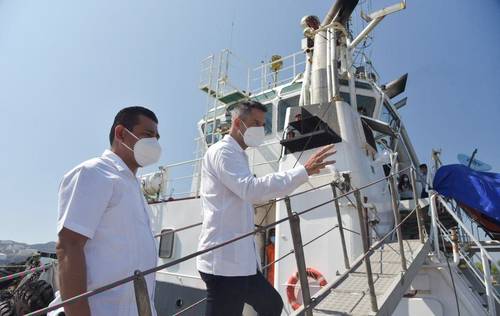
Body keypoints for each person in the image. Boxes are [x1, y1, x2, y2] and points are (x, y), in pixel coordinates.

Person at [196, 100, 336, 316]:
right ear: (237, 123)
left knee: (271, 304)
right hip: (224, 264)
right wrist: (302, 172)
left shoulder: (237, 154)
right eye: (255, 123)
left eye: (263, 124)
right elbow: (250, 190)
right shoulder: (223, 152)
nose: (260, 129)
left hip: (241, 262)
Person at [55, 106, 161, 316]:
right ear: (121, 133)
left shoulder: (133, 186)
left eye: (157, 137)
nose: (155, 143)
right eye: (147, 135)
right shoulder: (95, 172)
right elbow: (69, 246)